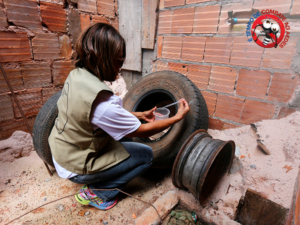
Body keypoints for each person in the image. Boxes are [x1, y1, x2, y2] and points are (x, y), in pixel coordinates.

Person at [48, 23, 190, 210]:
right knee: (146, 155)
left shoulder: (77, 76)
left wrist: (139, 114)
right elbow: (142, 130)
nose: (121, 67)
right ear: (103, 58)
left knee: (119, 144)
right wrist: (177, 118)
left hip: (62, 152)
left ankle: (95, 181)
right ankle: (98, 193)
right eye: (119, 61)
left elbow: (96, 116)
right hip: (76, 165)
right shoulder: (104, 103)